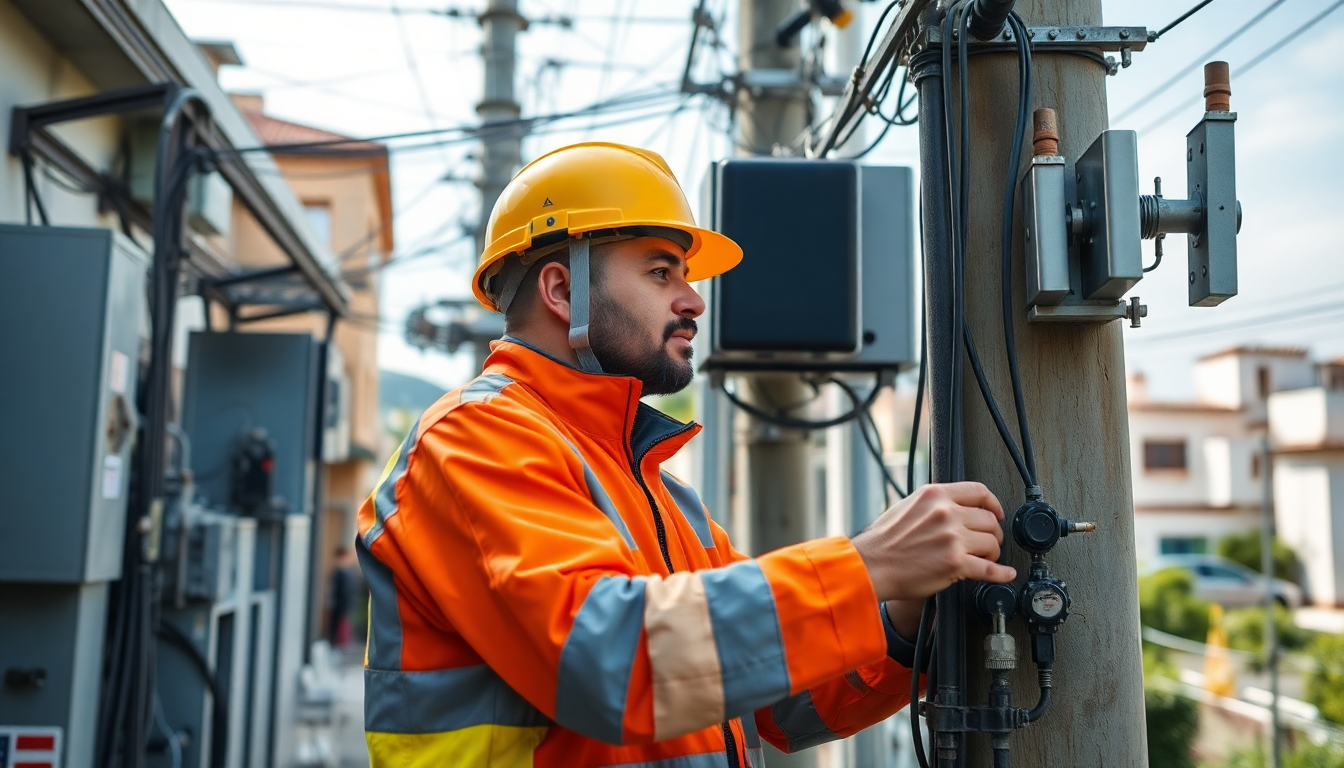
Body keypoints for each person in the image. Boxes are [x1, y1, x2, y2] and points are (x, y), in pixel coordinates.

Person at [355, 142, 1015, 768]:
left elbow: (778, 701)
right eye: (659, 271)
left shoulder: (660, 495)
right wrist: (867, 565)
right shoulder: (473, 441)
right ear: (561, 292)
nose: (694, 299)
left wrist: (905, 612)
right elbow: (612, 665)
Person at [326, 546, 357, 649]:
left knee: (341, 628)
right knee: (336, 628)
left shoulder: (346, 573)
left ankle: (339, 647)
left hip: (343, 606)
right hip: (338, 605)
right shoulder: (338, 573)